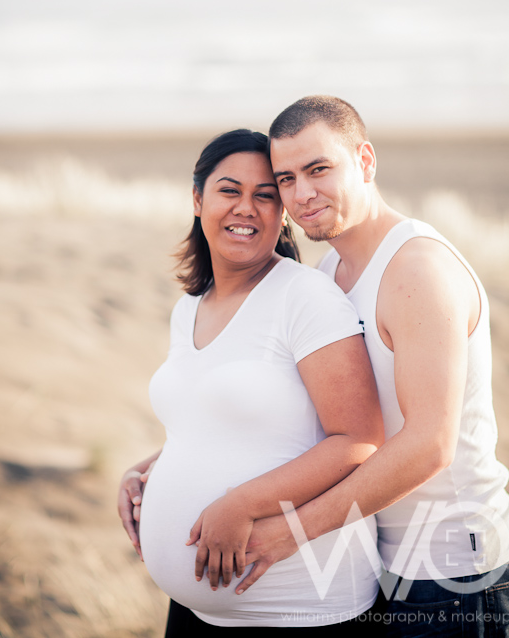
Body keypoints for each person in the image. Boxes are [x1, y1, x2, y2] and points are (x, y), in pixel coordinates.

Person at [227, 95, 509, 637]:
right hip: (383, 561)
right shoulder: (330, 271)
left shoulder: (415, 270)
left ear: (365, 161)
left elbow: (429, 446)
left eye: (319, 169)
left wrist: (291, 532)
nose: (302, 194)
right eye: (287, 178)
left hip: (457, 573)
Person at [118, 128, 384, 634]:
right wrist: (149, 470)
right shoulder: (188, 308)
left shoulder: (305, 297)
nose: (247, 208)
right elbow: (217, 424)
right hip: (197, 613)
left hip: (301, 611)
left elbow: (359, 440)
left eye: (265, 196)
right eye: (229, 190)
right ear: (197, 199)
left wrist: (242, 504)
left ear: (282, 212)